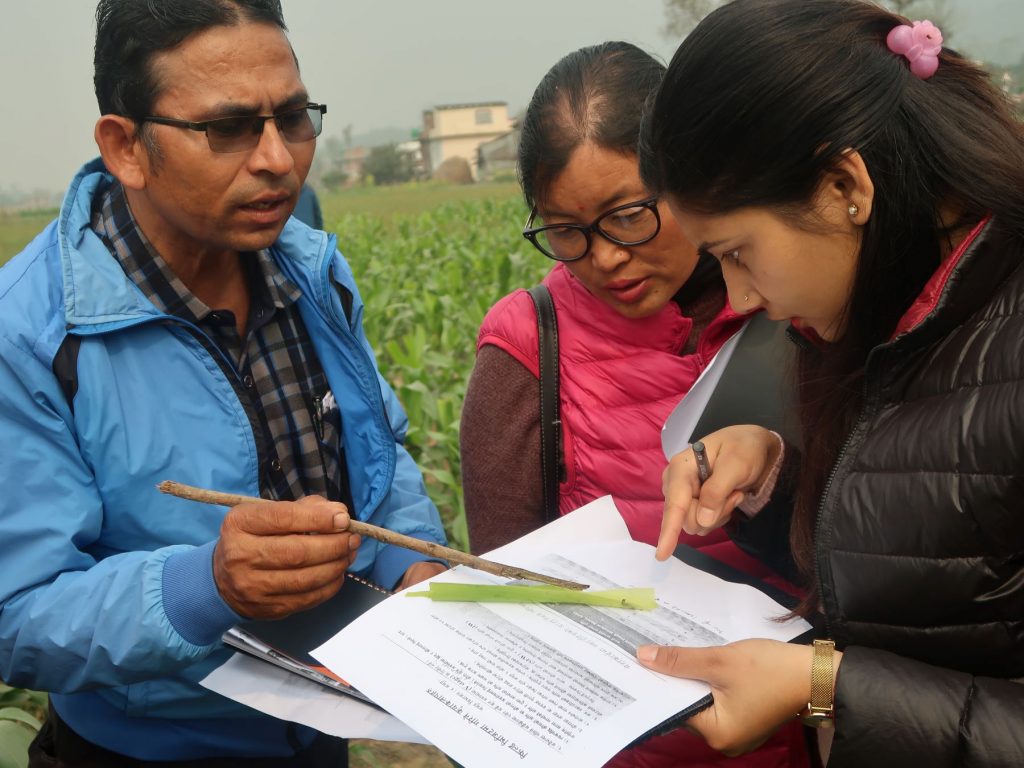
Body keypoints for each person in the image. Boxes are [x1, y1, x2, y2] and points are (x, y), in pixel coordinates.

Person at [0, 1, 446, 765]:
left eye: (294, 117)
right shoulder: (32, 336)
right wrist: (205, 586)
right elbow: (17, 617)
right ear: (126, 147)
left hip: (320, 735)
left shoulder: (310, 269)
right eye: (230, 128)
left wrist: (417, 562)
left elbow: (377, 450)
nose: (278, 158)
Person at [636, 1, 1024, 765]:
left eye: (739, 252)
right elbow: (936, 586)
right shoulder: (884, 318)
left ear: (844, 183)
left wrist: (827, 687)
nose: (739, 298)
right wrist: (776, 483)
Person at [460, 42, 809, 768]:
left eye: (628, 216)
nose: (605, 258)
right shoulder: (527, 347)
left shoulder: (796, 304)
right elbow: (507, 597)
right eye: (565, 231)